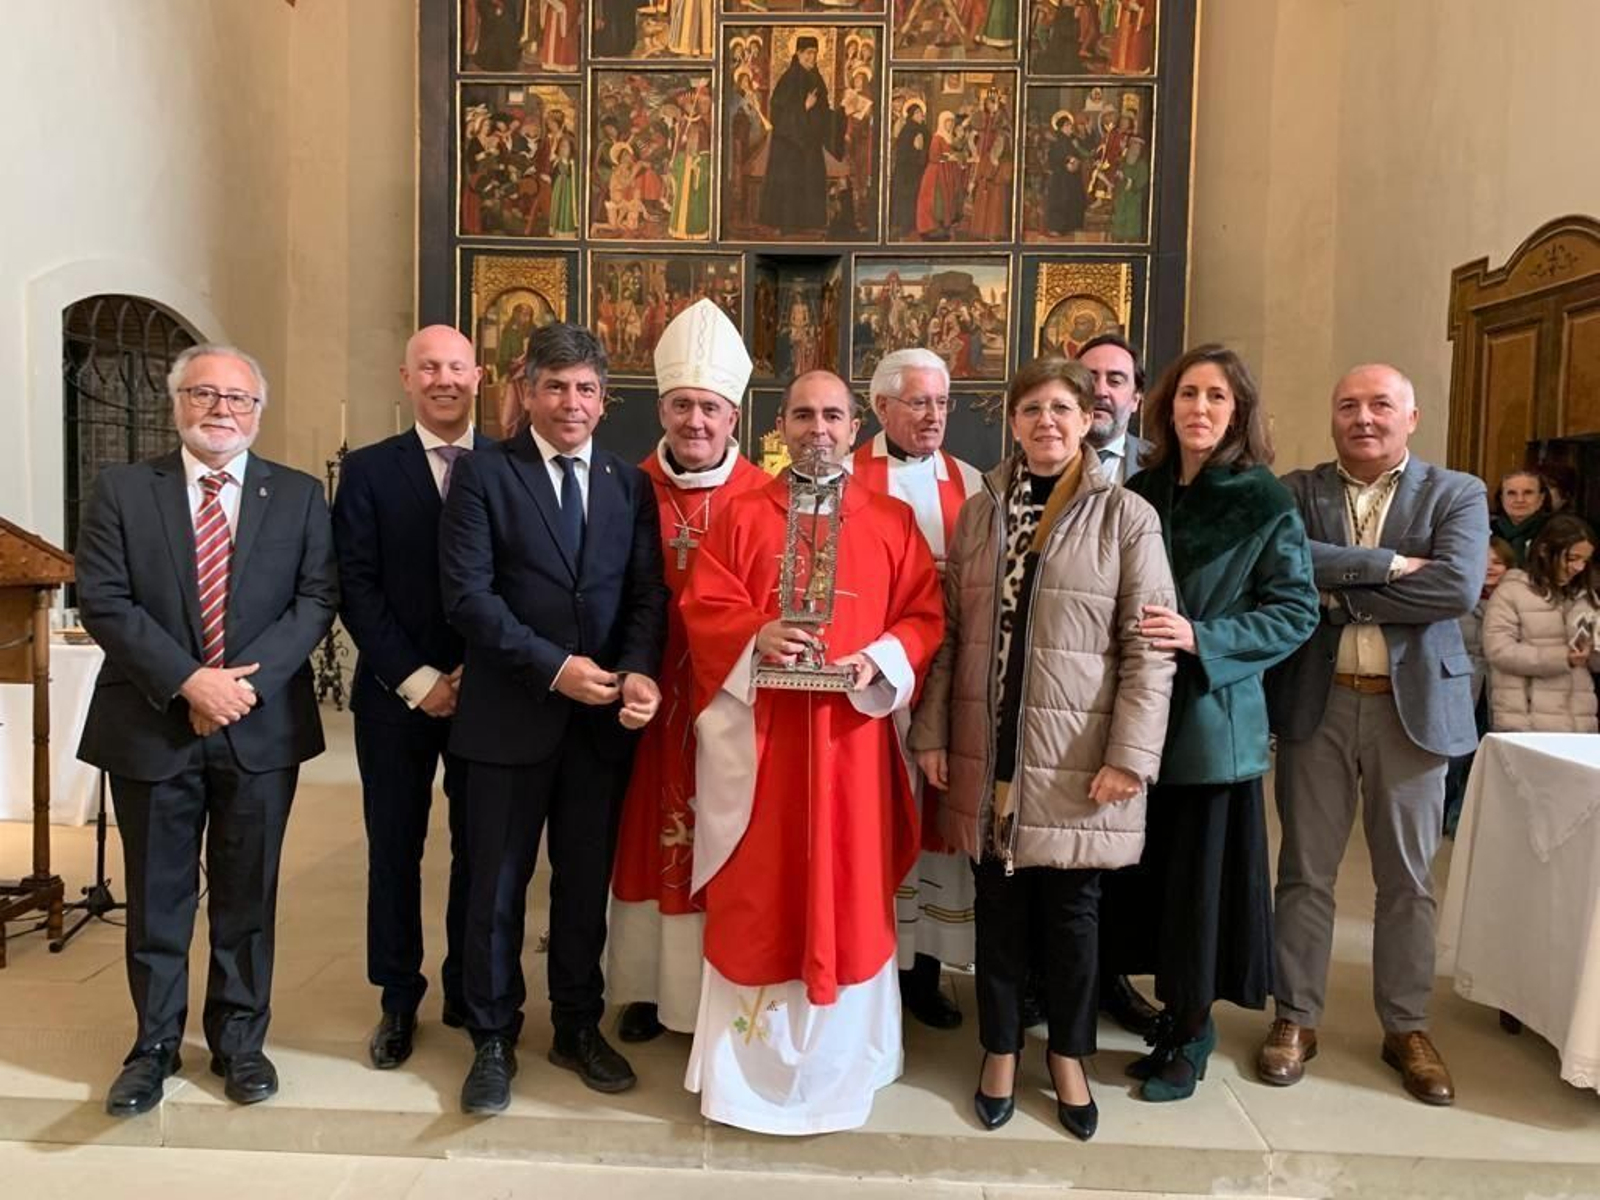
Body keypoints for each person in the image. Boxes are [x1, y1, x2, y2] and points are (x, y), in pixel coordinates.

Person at [909, 356, 1176, 1141]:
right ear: (1013, 421)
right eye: (1031, 410)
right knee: (997, 903)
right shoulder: (981, 511)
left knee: (1073, 914)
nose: (1047, 423)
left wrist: (1131, 752)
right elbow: (953, 634)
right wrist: (931, 733)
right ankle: (998, 1047)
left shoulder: (1126, 516)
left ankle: (1067, 1054)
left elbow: (1148, 646)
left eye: (1062, 408)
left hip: (1077, 750)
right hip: (986, 740)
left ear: (1090, 417)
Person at [679, 370, 945, 1135]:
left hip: (852, 745)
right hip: (763, 746)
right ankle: (745, 1077)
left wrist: (886, 658)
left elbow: (925, 614)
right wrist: (754, 633)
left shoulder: (892, 520)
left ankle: (842, 1063)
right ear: (780, 425)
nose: (817, 428)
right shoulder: (738, 514)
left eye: (832, 414)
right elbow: (705, 604)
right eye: (802, 414)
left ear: (855, 424)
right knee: (760, 888)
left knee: (848, 885)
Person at [76, 345, 337, 1115]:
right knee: (159, 897)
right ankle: (152, 1047)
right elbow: (106, 600)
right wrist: (189, 682)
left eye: (239, 398)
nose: (222, 409)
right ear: (177, 402)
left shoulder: (295, 496)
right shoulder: (124, 490)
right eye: (205, 394)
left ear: (260, 412)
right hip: (151, 724)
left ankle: (239, 1043)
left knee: (246, 896)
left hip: (259, 729)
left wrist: (236, 692)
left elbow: (316, 599)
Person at [441, 323, 669, 1114]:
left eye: (585, 389)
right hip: (509, 717)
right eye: (555, 386)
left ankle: (576, 1024)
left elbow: (647, 595)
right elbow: (468, 597)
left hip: (599, 726)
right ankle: (493, 1037)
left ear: (605, 404)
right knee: (496, 887)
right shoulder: (482, 475)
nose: (571, 402)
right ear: (526, 392)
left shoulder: (626, 484)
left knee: (582, 887)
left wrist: (637, 669)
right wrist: (553, 667)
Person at [1260, 364, 1488, 1107]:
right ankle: (1296, 1017)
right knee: (1304, 873)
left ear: (1411, 416)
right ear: (1332, 417)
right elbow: (1285, 564)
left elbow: (1454, 588)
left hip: (1413, 709)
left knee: (1410, 882)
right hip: (1317, 704)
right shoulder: (1296, 492)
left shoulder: (1457, 493)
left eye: (1380, 404)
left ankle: (1407, 1027)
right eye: (1349, 405)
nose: (1364, 417)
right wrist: (1389, 566)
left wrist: (1341, 595)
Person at [1118, 345, 1319, 1101]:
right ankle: (1161, 1011)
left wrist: (1205, 638)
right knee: (1151, 879)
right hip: (1137, 717)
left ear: (1238, 413)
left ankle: (1193, 1028)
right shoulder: (1142, 489)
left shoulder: (1263, 499)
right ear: (1166, 407)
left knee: (1199, 886)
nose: (1199, 409)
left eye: (1217, 398)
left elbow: (1294, 611)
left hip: (1210, 721)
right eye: (1188, 395)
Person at [608, 300, 768, 1044]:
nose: (694, 421)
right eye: (681, 405)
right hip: (643, 700)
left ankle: (718, 990)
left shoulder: (768, 500)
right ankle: (645, 988)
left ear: (733, 416)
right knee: (646, 839)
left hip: (734, 699)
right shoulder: (623, 486)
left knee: (728, 837)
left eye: (709, 407)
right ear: (661, 409)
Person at [333, 326, 485, 1071]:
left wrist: (475, 676)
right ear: (406, 378)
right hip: (395, 695)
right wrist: (421, 680)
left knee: (478, 849)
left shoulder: (511, 465)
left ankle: (464, 984)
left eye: (456, 366)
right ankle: (398, 995)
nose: (444, 378)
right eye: (429, 366)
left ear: (479, 377)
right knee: (394, 849)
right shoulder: (366, 471)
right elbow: (354, 585)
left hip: (490, 694)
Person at [849, 349, 984, 1031]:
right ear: (880, 408)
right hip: (867, 684)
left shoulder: (971, 480)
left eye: (941, 403)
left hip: (943, 683)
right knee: (870, 820)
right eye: (917, 403)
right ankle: (869, 965)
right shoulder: (847, 476)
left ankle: (923, 971)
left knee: (935, 823)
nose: (933, 416)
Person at [1482, 514, 1600, 733]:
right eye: (1572, 558)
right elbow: (1498, 651)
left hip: (1580, 722)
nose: (1579, 567)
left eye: (1585, 560)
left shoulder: (1586, 597)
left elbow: (1592, 660)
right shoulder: (1511, 592)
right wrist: (1562, 657)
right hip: (1526, 721)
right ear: (1545, 551)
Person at [1442, 537, 1513, 837]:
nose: (1489, 568)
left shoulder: (1516, 599)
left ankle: (1464, 819)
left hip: (1500, 687)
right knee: (1453, 758)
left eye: (1497, 562)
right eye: (1484, 561)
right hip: (1461, 684)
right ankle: (1440, 813)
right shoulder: (1457, 596)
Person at [759, 37, 833, 235]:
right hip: (790, 145)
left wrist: (842, 113)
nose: (812, 57)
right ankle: (788, 224)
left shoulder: (817, 78)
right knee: (791, 181)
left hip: (810, 144)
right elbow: (777, 113)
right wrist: (803, 107)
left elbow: (824, 110)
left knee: (810, 178)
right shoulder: (789, 78)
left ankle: (810, 223)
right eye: (808, 53)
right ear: (798, 53)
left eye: (815, 53)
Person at [1076, 333, 1147, 485]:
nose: (1100, 392)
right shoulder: (1039, 459)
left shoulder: (1159, 464)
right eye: (1089, 379)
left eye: (1115, 381)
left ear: (1135, 399)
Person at [1490, 469, 1548, 566]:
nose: (1519, 500)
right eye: (1511, 493)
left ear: (1541, 498)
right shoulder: (1485, 532)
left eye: (1528, 492)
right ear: (1501, 498)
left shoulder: (1555, 531)